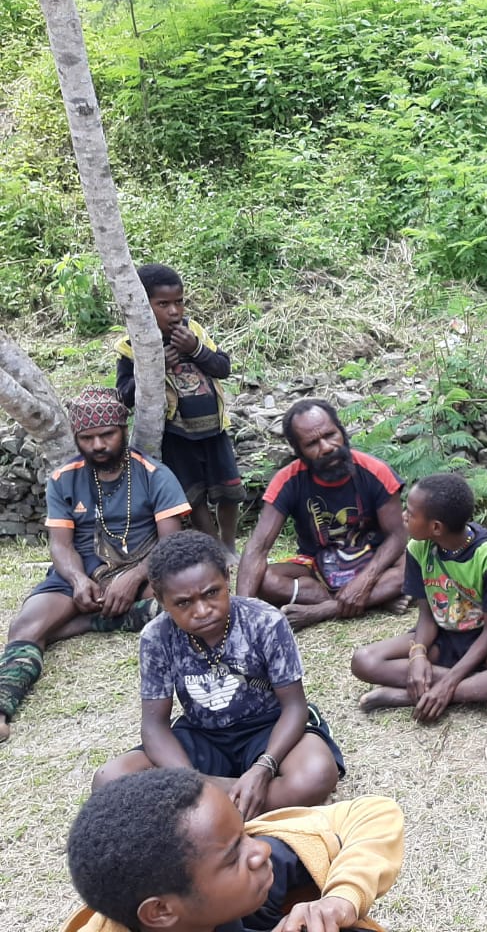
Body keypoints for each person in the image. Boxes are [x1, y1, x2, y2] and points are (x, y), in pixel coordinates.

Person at [94, 530, 344, 819]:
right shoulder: (157, 637)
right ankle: (224, 796)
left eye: (211, 593)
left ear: (227, 578)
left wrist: (265, 767)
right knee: (110, 779)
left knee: (316, 774)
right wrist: (190, 780)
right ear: (161, 599)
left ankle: (209, 807)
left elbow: (294, 707)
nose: (202, 610)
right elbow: (154, 726)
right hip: (202, 734)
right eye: (183, 603)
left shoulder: (264, 621)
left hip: (268, 730)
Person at [0, 386, 190, 743]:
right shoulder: (63, 479)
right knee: (25, 626)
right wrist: (75, 579)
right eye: (88, 438)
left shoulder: (154, 474)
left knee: (177, 606)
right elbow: (60, 545)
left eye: (107, 434)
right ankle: (2, 708)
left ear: (123, 428)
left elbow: (172, 543)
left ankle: (91, 621)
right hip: (81, 574)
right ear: (77, 438)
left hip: (143, 567)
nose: (98, 445)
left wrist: (133, 577)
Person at [62, 767, 404, 932]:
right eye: (232, 856)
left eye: (243, 833)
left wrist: (340, 899)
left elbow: (372, 813)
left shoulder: (235, 874)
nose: (260, 852)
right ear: (160, 912)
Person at [351, 472, 487, 721]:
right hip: (444, 633)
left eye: (410, 513)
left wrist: (448, 685)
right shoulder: (418, 548)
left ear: (436, 527)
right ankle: (485, 688)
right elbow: (427, 616)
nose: (403, 516)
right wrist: (418, 654)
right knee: (364, 661)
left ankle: (411, 696)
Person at [236, 399, 408, 629]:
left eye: (330, 435)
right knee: (264, 580)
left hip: (373, 561)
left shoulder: (375, 471)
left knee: (412, 566)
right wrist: (241, 612)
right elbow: (257, 548)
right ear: (298, 451)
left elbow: (397, 537)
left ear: (343, 432)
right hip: (317, 569)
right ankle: (376, 599)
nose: (326, 447)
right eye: (312, 443)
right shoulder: (287, 480)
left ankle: (327, 609)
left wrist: (365, 582)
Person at [116, 263, 245, 553]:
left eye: (179, 302)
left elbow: (222, 367)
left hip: (214, 428)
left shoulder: (194, 331)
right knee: (194, 497)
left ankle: (229, 545)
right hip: (177, 435)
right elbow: (124, 396)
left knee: (229, 492)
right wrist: (155, 365)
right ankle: (215, 549)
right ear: (143, 305)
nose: (174, 311)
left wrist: (196, 349)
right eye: (163, 304)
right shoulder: (131, 346)